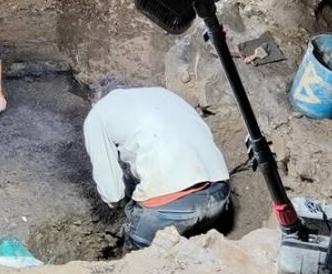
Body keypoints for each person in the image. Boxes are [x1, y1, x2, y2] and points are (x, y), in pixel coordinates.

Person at [83, 85, 230, 250]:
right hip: (219, 196)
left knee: (136, 262)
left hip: (171, 212)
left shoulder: (97, 115)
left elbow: (113, 194)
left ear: (95, 101)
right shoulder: (160, 94)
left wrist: (117, 207)